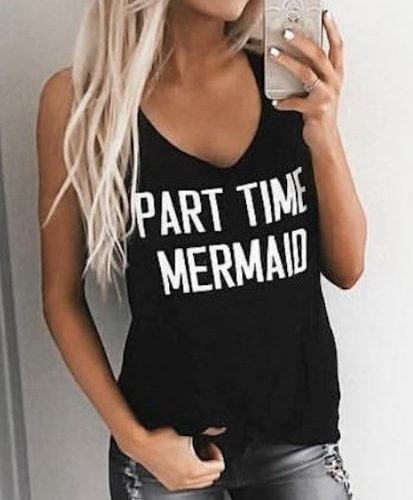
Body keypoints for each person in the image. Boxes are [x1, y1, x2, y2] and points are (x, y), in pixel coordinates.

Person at [36, 1, 366, 499]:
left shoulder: (285, 77)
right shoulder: (82, 101)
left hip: (297, 439)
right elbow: (60, 295)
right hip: (164, 450)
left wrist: (324, 130)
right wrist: (136, 441)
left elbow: (348, 268)